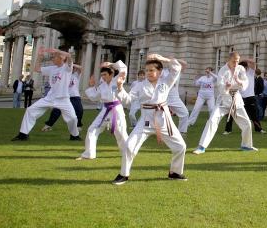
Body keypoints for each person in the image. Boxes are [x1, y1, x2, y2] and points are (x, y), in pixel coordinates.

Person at [113, 54, 187, 185]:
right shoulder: (139, 86)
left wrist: (162, 59)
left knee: (180, 146)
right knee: (129, 146)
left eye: (152, 70)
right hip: (145, 121)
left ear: (159, 72)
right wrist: (120, 87)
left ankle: (175, 172)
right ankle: (123, 174)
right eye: (147, 70)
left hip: (164, 120)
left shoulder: (166, 82)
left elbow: (176, 67)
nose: (149, 73)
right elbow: (127, 100)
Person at [192, 51, 257, 154]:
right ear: (229, 60)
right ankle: (201, 147)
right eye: (234, 61)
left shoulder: (241, 69)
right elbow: (220, 86)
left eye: (237, 61)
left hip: (236, 99)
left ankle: (246, 145)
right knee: (212, 121)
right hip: (224, 100)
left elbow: (245, 83)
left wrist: (239, 82)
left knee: (247, 123)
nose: (236, 63)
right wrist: (226, 87)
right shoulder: (223, 70)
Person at [12, 48, 80, 141]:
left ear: (61, 58)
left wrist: (56, 51)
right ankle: (23, 134)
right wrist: (39, 57)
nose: (52, 59)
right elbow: (36, 69)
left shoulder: (67, 68)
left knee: (72, 118)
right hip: (50, 98)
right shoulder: (51, 68)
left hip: (63, 99)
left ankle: (74, 136)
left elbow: (69, 56)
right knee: (30, 110)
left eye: (54, 57)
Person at [77, 61, 128, 160]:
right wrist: (92, 86)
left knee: (121, 133)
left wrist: (111, 64)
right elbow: (94, 97)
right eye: (102, 75)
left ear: (111, 73)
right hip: (105, 109)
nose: (103, 77)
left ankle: (127, 152)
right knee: (92, 129)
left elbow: (123, 68)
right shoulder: (102, 85)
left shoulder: (117, 80)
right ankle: (89, 154)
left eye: (105, 74)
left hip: (116, 109)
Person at [224, 60, 266, 134]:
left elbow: (253, 63)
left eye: (244, 67)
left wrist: (242, 59)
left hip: (250, 97)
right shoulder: (238, 74)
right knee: (231, 113)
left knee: (254, 115)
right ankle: (228, 130)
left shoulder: (250, 72)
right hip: (239, 97)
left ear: (247, 67)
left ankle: (259, 129)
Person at [42, 64, 84, 132]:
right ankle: (48, 125)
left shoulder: (76, 75)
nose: (72, 69)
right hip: (64, 96)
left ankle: (78, 125)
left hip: (75, 96)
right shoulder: (64, 75)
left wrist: (72, 64)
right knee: (56, 111)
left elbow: (81, 68)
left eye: (73, 68)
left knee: (79, 110)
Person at [165, 59, 190, 135]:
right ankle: (147, 129)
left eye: (174, 64)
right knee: (152, 114)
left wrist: (172, 59)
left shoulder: (177, 72)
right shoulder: (163, 72)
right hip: (162, 97)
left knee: (185, 113)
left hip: (174, 98)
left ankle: (181, 131)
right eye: (171, 64)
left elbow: (185, 64)